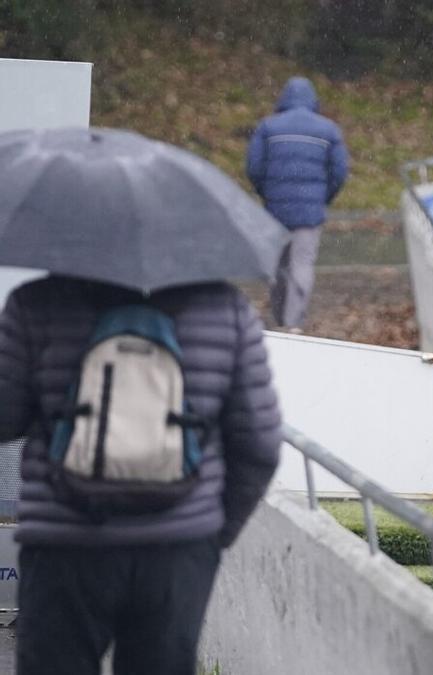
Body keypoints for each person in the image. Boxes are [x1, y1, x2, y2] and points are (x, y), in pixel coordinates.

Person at [0, 277, 283, 674]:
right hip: (178, 548)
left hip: (64, 544)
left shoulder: (35, 303)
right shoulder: (225, 308)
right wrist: (215, 533)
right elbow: (260, 445)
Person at [246, 75, 350, 332]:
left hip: (275, 210)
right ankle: (294, 323)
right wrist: (323, 197)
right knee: (302, 264)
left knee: (278, 265)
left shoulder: (268, 127)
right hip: (310, 212)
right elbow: (339, 171)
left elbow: (253, 167)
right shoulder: (328, 130)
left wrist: (266, 193)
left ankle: (279, 315)